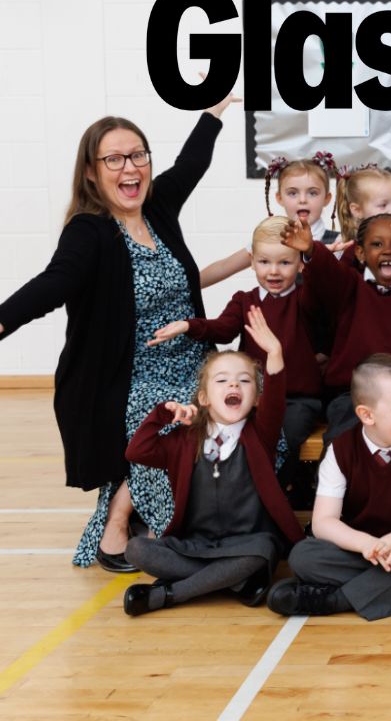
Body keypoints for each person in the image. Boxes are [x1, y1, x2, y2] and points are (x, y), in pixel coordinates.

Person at [0, 94, 238, 570]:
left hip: (194, 359)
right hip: (129, 373)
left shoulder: (160, 209)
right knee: (175, 420)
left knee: (245, 405)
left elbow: (191, 163)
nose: (129, 168)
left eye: (137, 155)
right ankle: (121, 519)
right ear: (91, 171)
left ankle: (210, 523)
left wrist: (214, 111)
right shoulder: (89, 232)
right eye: (114, 158)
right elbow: (53, 284)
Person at [122, 307, 305, 615]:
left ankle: (171, 594)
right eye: (222, 381)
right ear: (204, 398)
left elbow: (275, 399)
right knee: (136, 549)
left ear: (257, 399)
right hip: (195, 544)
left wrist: (275, 353)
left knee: (261, 554)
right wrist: (163, 415)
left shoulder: (260, 434)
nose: (234, 386)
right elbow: (137, 452)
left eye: (244, 382)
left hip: (247, 543)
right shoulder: (185, 440)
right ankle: (233, 582)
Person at [269, 354, 391, 620]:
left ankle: (336, 600)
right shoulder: (341, 450)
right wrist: (366, 544)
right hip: (358, 550)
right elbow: (324, 522)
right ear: (367, 415)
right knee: (303, 556)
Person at [150, 216, 324, 502]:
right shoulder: (245, 300)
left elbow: (328, 290)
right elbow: (222, 329)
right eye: (265, 262)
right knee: (228, 434)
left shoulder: (307, 298)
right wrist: (188, 325)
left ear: (300, 263)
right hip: (253, 396)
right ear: (253, 262)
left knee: (285, 437)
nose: (274, 271)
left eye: (284, 262)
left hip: (297, 399)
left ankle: (272, 497)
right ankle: (222, 497)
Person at [281, 215, 391, 442]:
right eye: (377, 244)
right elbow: (328, 273)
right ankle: (334, 477)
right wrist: (311, 249)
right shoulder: (350, 284)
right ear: (360, 253)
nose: (388, 250)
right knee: (345, 435)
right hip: (351, 394)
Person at [198, 152, 340, 288]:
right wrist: (186, 288)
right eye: (293, 193)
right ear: (279, 198)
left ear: (326, 199)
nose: (302, 200)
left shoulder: (338, 242)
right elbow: (225, 266)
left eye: (312, 193)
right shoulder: (270, 237)